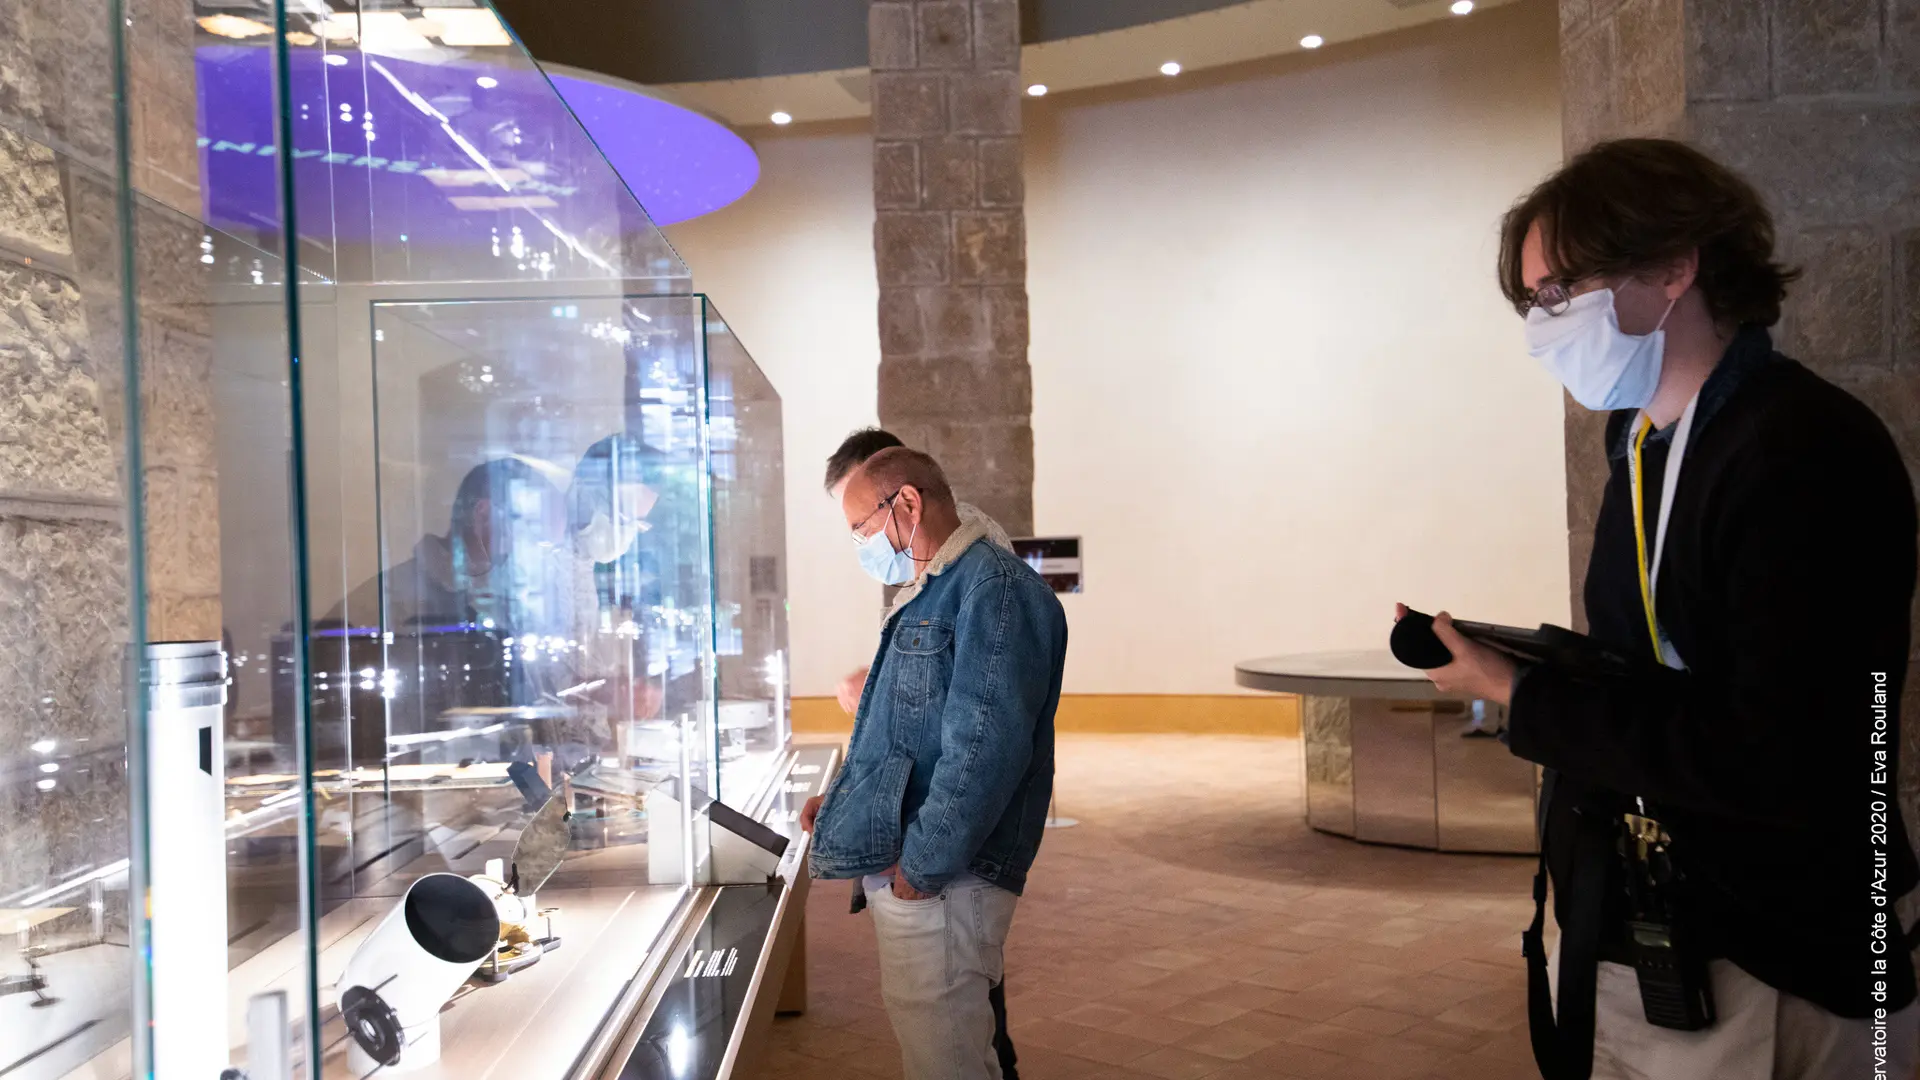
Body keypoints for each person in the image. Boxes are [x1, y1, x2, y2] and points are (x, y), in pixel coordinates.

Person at [1413, 138, 1919, 1078]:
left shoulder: (1802, 449)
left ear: (1674, 266)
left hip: (1769, 948)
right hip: (1657, 917)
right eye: (1532, 302)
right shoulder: (1643, 437)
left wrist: (1524, 697)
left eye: (1560, 291)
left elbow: (1777, 753)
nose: (1542, 324)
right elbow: (1656, 666)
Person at [804, 447, 1066, 1080]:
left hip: (947, 879)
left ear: (907, 503)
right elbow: (909, 731)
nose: (862, 544)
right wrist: (847, 803)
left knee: (946, 1061)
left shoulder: (994, 588)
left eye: (863, 527)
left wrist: (919, 872)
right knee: (941, 1053)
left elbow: (984, 748)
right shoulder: (933, 587)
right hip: (928, 875)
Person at [822, 428, 1014, 713]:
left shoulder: (964, 550)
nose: (863, 540)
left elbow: (979, 679)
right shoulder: (932, 558)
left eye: (863, 522)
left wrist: (881, 685)